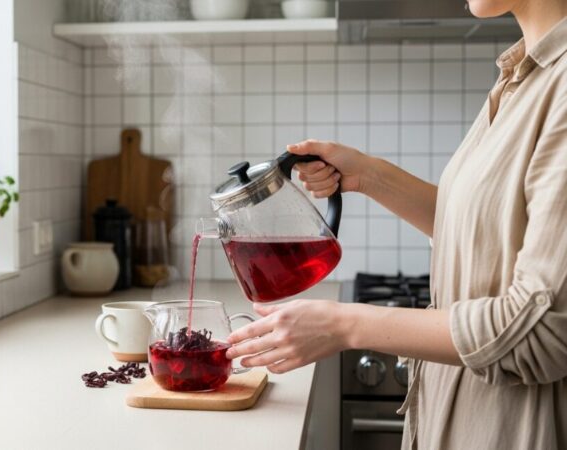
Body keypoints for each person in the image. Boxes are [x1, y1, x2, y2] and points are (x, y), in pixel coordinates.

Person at [225, 0, 567, 448]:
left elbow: (542, 331)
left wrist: (344, 325)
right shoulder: (522, 74)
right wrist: (368, 175)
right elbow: (480, 230)